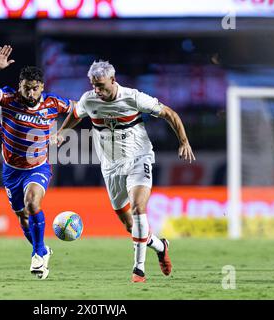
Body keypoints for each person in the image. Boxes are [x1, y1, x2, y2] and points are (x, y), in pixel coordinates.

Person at [56, 60, 196, 283]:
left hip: (138, 159)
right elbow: (76, 113)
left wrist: (184, 141)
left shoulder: (133, 97)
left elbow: (169, 113)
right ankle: (161, 246)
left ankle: (138, 269)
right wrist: (62, 132)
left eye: (101, 85)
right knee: (130, 225)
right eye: (94, 85)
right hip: (110, 167)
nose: (97, 90)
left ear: (113, 80)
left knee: (139, 208)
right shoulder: (88, 99)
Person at [0, 45, 74, 280]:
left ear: (41, 87)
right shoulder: (9, 99)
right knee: (22, 217)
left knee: (33, 203)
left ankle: (37, 256)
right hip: (11, 170)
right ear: (19, 86)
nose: (30, 94)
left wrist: (62, 132)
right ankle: (42, 249)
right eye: (26, 88)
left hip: (38, 166)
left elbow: (78, 110)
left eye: (34, 89)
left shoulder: (53, 104)